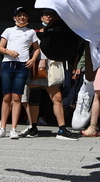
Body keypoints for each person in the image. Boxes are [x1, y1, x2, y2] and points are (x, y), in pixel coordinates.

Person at [33, 9, 81, 140]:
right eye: (45, 14)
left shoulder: (60, 30)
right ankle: (32, 126)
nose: (48, 16)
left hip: (53, 65)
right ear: (41, 17)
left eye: (51, 15)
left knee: (57, 98)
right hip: (36, 66)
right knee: (32, 97)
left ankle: (62, 128)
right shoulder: (34, 33)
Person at [0, 7, 40, 139]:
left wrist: (32, 59)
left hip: (22, 65)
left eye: (24, 15)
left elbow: (36, 48)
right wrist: (9, 52)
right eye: (19, 15)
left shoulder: (31, 32)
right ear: (14, 18)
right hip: (8, 64)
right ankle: (3, 127)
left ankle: (13, 128)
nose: (22, 17)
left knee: (17, 97)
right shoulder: (8, 30)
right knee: (6, 96)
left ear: (27, 18)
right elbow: (0, 48)